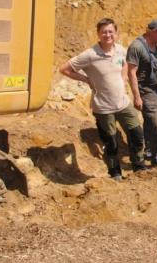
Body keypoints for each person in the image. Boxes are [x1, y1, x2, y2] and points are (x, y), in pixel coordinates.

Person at [59, 18, 147, 180]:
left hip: (123, 103)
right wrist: (85, 79)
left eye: (111, 32)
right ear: (98, 34)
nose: (108, 35)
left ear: (116, 33)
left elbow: (125, 63)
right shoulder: (90, 55)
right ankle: (115, 173)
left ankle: (139, 167)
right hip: (103, 108)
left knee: (136, 134)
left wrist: (123, 78)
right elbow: (64, 69)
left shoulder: (120, 50)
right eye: (104, 32)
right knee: (111, 143)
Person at [127, 19, 157, 167]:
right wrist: (137, 97)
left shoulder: (154, 44)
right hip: (146, 91)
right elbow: (131, 73)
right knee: (156, 125)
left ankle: (149, 152)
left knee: (150, 123)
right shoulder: (137, 47)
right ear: (154, 32)